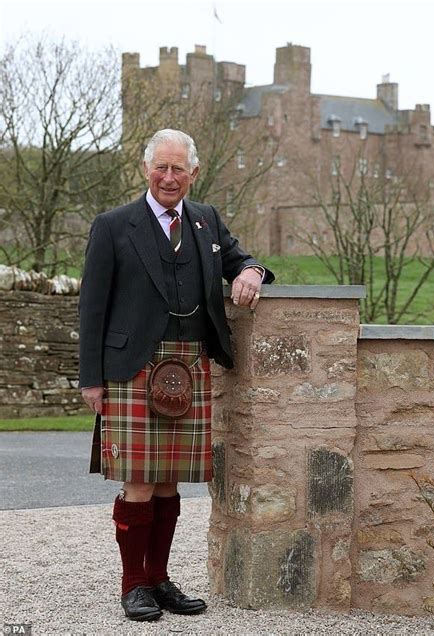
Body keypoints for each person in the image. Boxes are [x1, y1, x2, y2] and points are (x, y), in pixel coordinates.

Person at [79, 128, 274, 622]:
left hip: (189, 364)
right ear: (147, 169)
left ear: (193, 172)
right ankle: (133, 585)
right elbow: (91, 307)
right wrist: (91, 379)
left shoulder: (206, 221)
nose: (169, 177)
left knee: (170, 484)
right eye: (161, 168)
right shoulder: (114, 225)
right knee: (140, 482)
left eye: (178, 169)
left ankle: (159, 579)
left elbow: (238, 259)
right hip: (132, 368)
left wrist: (252, 271)